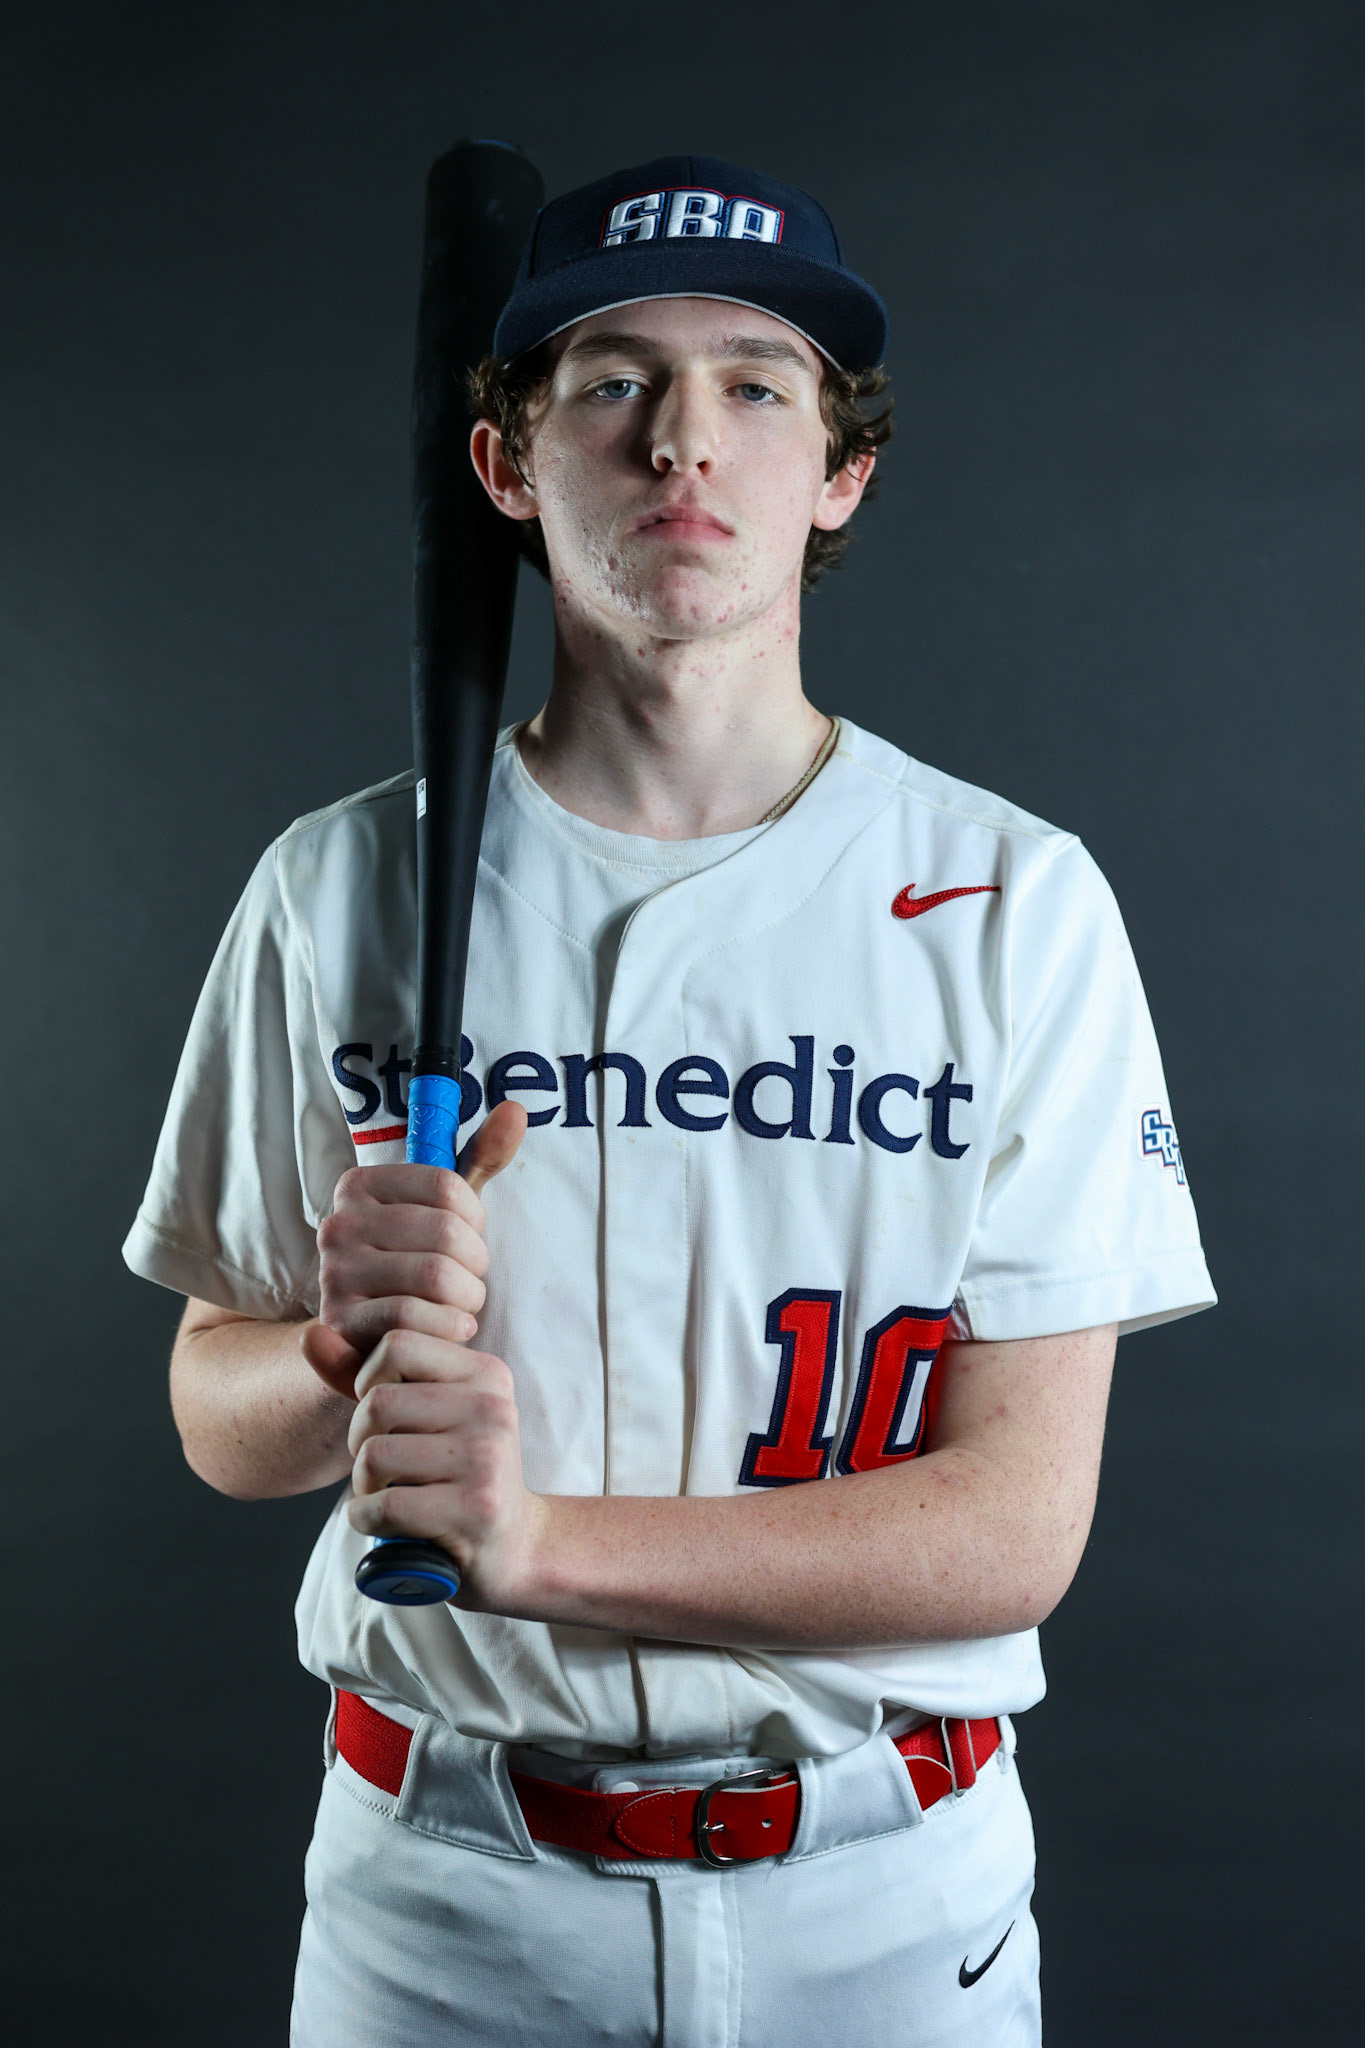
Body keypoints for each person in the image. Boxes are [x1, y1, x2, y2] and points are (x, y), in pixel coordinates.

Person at [124, 154, 1215, 2046]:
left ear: (840, 473)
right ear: (503, 465)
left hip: (890, 1900)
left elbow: (1012, 1525)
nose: (681, 444)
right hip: (440, 1902)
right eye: (611, 382)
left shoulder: (1015, 903)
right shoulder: (339, 889)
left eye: (756, 385)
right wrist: (326, 1353)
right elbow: (220, 1410)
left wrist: (537, 1544)